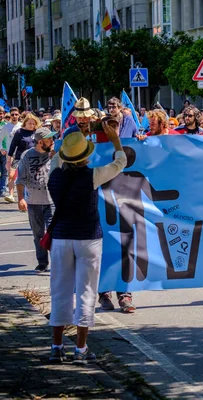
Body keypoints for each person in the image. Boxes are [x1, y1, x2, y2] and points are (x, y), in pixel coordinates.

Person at [47, 122, 126, 364]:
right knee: (86, 292)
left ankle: (56, 346)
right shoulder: (92, 175)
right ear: (86, 155)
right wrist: (115, 141)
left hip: (60, 237)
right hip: (88, 238)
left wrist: (63, 144)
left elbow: (55, 159)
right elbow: (120, 163)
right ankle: (80, 349)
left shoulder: (54, 174)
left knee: (60, 291)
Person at [16, 127, 56, 273]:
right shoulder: (27, 155)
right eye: (49, 139)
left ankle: (57, 263)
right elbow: (20, 179)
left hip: (52, 202)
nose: (52, 141)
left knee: (54, 233)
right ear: (40, 142)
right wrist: (20, 198)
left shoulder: (55, 154)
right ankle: (42, 263)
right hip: (33, 201)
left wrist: (57, 157)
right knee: (38, 234)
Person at [1, 107, 21, 202]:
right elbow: (0, 139)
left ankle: (24, 195)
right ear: (9, 116)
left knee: (22, 174)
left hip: (22, 154)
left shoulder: (22, 126)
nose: (14, 116)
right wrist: (1, 148)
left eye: (16, 114)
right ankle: (11, 195)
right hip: (10, 154)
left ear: (19, 115)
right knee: (11, 174)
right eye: (12, 114)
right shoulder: (6, 127)